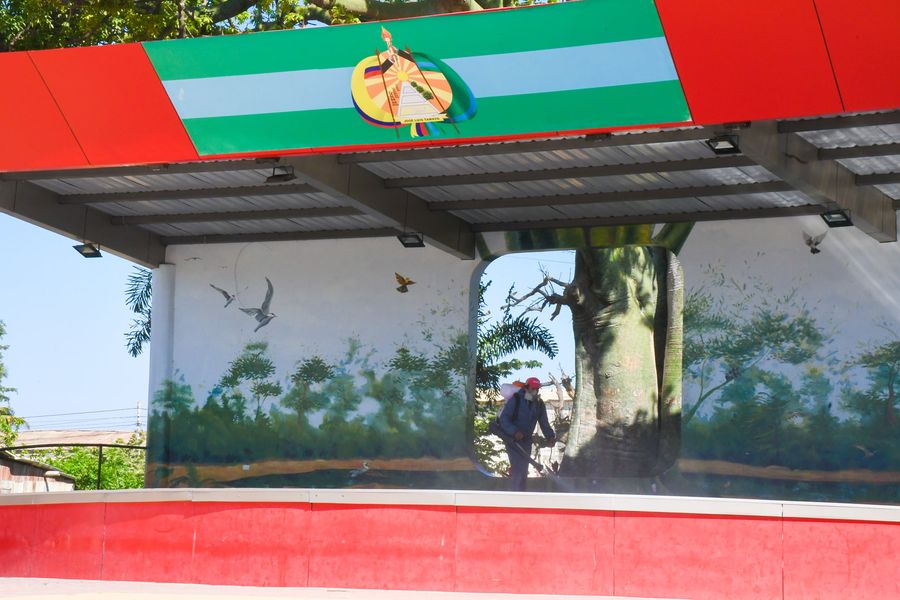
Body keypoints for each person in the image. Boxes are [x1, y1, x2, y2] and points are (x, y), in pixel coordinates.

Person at [499, 377, 556, 491]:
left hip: (526, 441)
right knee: (518, 469)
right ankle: (516, 495)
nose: (535, 391)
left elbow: (544, 423)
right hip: (513, 441)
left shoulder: (539, 404)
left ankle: (521, 494)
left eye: (537, 389)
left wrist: (550, 436)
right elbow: (504, 419)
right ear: (526, 388)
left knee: (524, 470)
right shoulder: (516, 399)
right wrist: (515, 431)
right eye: (533, 388)